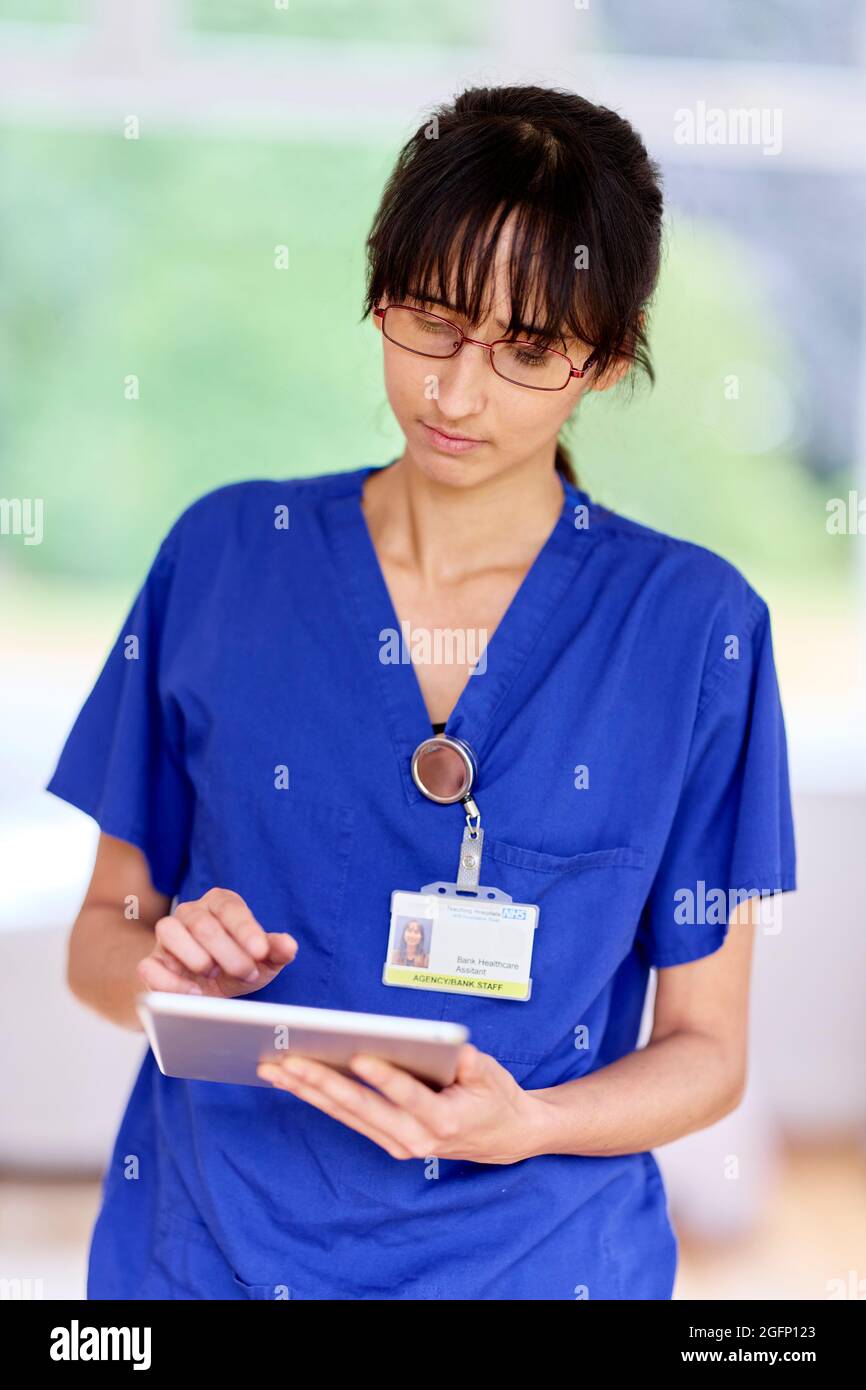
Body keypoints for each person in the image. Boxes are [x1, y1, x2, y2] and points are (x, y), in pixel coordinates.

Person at [46, 83, 796, 1301]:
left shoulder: (693, 629)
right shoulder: (228, 558)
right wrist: (160, 971)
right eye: (430, 321)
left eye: (530, 349)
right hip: (213, 1250)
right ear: (376, 285)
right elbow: (101, 934)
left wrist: (531, 1123)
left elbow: (706, 1053)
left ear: (605, 357)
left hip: (537, 1264)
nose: (456, 392)